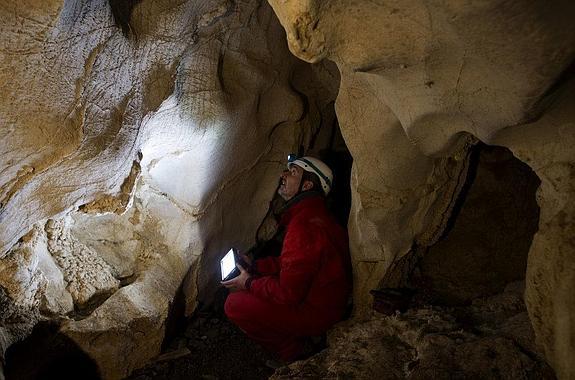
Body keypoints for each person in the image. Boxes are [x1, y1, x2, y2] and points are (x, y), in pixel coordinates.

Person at [222, 155, 352, 365]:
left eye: (293, 173)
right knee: (251, 285)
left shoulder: (303, 227)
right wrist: (253, 266)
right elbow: (290, 264)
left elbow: (288, 295)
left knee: (234, 303)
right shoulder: (317, 217)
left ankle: (293, 350)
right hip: (327, 302)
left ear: (307, 184)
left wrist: (248, 282)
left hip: (317, 313)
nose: (283, 175)